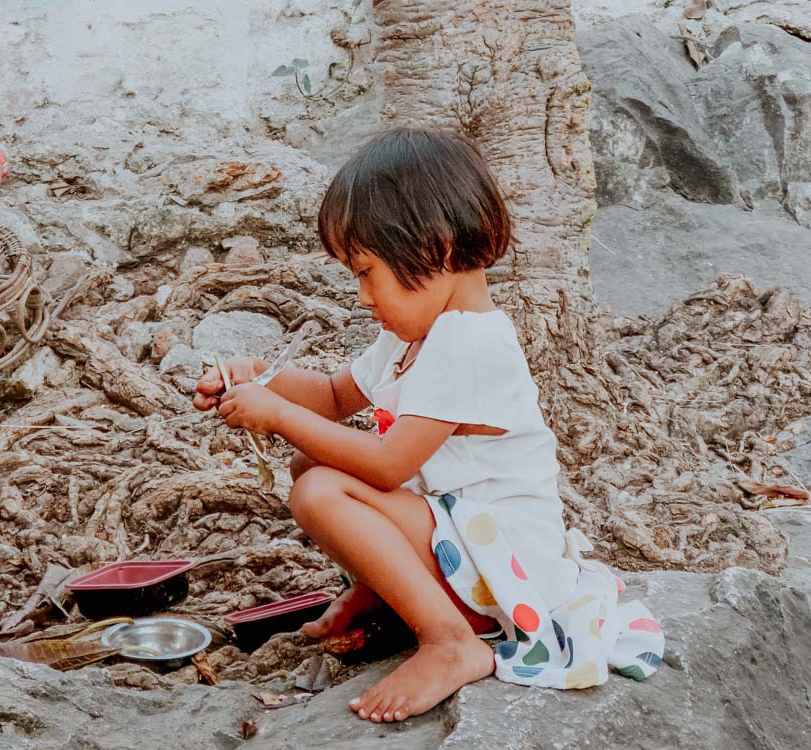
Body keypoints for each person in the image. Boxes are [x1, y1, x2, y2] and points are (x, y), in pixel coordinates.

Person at [193, 127, 664, 723]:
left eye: (367, 272)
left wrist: (279, 416)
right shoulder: (411, 337)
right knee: (311, 461)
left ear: (436, 249)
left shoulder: (469, 343)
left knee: (318, 485)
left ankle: (449, 641)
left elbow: (390, 463)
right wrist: (260, 379)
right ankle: (385, 596)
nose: (363, 297)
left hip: (504, 570)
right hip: (459, 547)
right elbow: (337, 396)